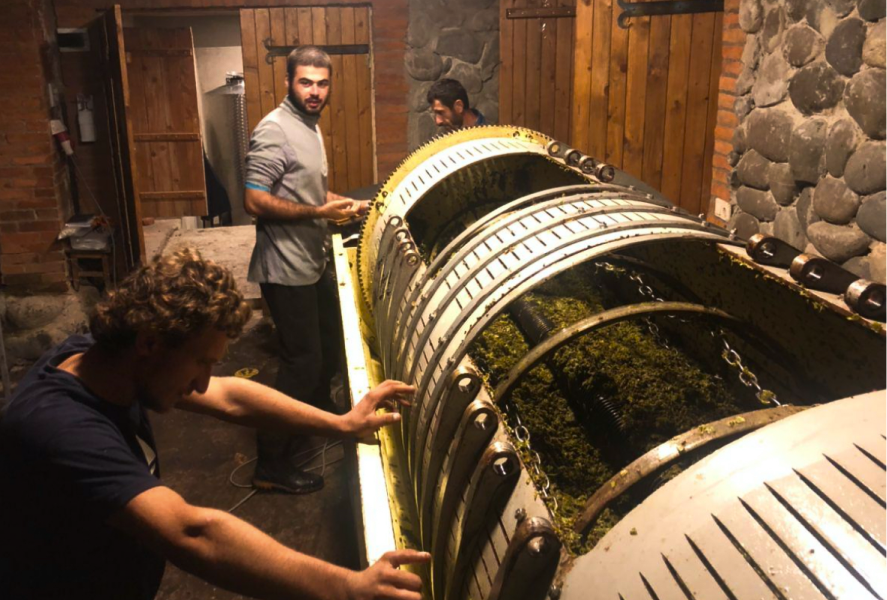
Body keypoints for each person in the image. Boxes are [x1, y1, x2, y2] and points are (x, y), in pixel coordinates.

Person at [0, 248, 429, 600]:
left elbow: (229, 396)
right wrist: (349, 587)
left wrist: (342, 423)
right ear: (149, 342)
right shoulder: (58, 429)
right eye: (201, 362)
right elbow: (192, 533)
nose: (204, 381)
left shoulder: (105, 355)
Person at [243, 46, 368, 495]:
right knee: (301, 363)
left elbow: (304, 188)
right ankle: (270, 463)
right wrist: (318, 212)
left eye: (322, 83)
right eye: (305, 82)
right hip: (285, 267)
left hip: (311, 261)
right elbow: (255, 200)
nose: (314, 91)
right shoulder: (275, 130)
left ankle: (314, 412)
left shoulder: (307, 127)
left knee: (331, 345)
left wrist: (339, 203)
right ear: (288, 83)